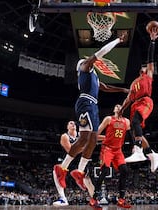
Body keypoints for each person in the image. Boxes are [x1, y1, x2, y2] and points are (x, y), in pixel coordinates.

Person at [54, 34, 129, 191]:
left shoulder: (93, 76)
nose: (90, 60)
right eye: (88, 60)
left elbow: (106, 87)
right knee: (84, 139)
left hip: (93, 106)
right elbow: (101, 53)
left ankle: (79, 172)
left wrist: (123, 89)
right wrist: (118, 40)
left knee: (93, 140)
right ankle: (62, 168)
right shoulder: (84, 68)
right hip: (85, 103)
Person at [119, 27, 158, 173]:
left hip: (146, 101)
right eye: (143, 67)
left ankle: (137, 150)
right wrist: (121, 110)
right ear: (139, 70)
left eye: (147, 66)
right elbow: (128, 98)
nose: (146, 67)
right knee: (135, 132)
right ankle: (152, 154)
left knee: (136, 122)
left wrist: (152, 41)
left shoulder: (148, 75)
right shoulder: (133, 83)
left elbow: (150, 58)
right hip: (134, 105)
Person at [89, 104, 131, 209]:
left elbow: (130, 135)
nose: (118, 107)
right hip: (107, 148)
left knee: (125, 171)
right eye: (116, 106)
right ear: (114, 109)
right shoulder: (108, 119)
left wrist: (135, 146)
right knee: (104, 171)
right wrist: (102, 138)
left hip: (118, 150)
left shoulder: (126, 121)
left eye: (120, 106)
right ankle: (94, 199)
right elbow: (96, 133)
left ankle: (121, 199)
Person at [52, 121, 95, 206]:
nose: (73, 124)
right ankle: (63, 199)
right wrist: (85, 146)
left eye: (74, 123)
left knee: (87, 180)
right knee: (55, 172)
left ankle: (94, 199)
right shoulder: (65, 136)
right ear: (67, 127)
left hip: (79, 161)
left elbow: (94, 137)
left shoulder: (81, 135)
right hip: (68, 162)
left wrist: (106, 138)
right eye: (71, 123)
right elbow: (71, 151)